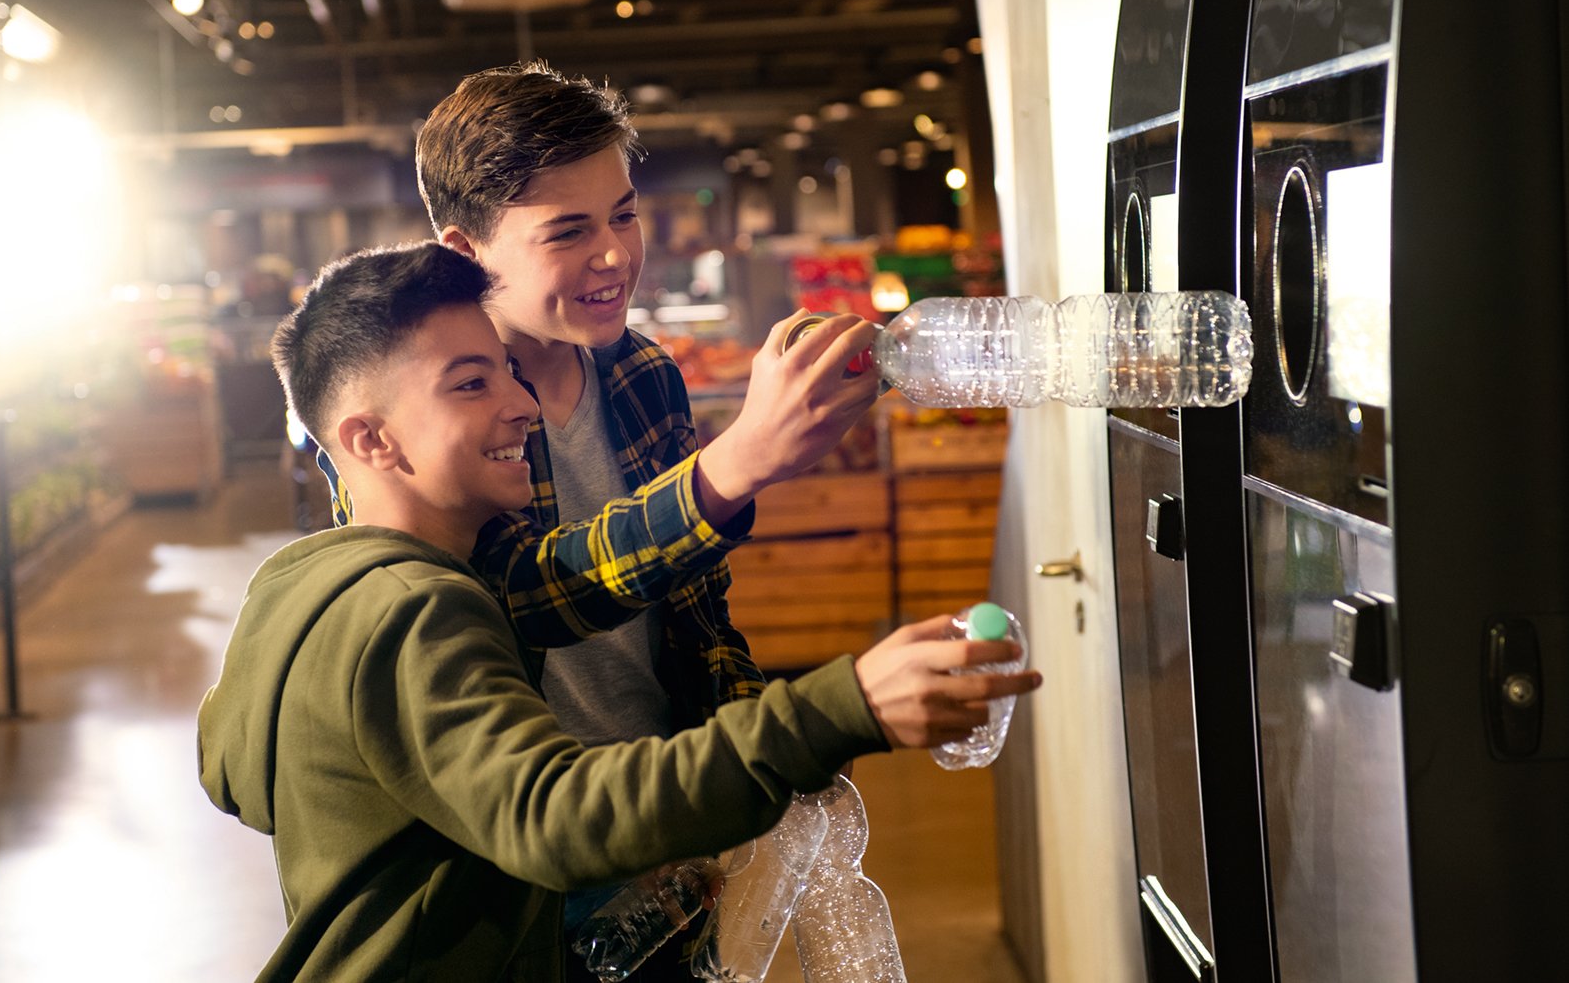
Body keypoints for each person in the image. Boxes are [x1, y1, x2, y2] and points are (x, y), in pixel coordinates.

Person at [198, 242, 1042, 982]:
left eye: (504, 369)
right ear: (372, 441)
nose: (520, 403)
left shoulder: (295, 583)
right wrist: (841, 705)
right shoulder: (413, 608)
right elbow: (551, 816)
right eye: (470, 383)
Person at [318, 61, 887, 977]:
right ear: (467, 252)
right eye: (569, 231)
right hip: (519, 864)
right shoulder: (420, 420)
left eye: (623, 213)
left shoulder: (642, 373)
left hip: (665, 836)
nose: (616, 254)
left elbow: (698, 614)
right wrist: (734, 464)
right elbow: (517, 595)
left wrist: (756, 764)